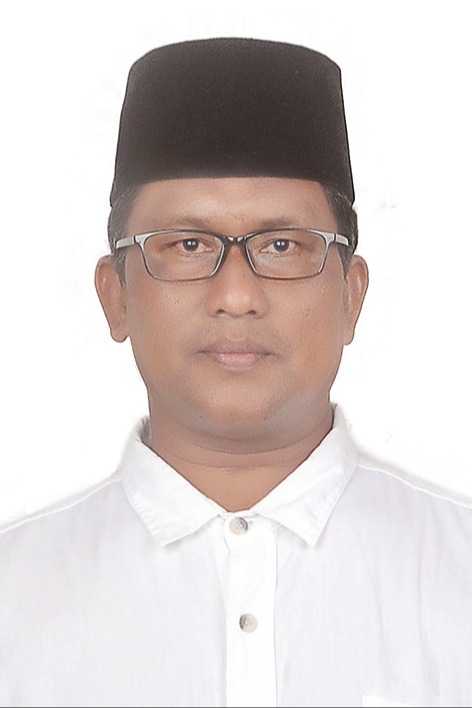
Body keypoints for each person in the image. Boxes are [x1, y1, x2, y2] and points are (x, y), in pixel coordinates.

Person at [0, 37, 471, 708]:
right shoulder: (13, 599)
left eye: (282, 245)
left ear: (351, 296)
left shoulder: (458, 580)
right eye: (188, 244)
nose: (237, 295)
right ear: (116, 295)